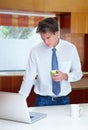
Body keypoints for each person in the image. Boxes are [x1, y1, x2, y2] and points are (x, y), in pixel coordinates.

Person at [19, 17, 83, 106]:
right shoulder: (35, 51)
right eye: (43, 38)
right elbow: (29, 77)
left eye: (48, 38)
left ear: (56, 33)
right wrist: (20, 100)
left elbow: (78, 74)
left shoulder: (70, 49)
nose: (46, 42)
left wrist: (65, 76)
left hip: (64, 100)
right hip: (42, 100)